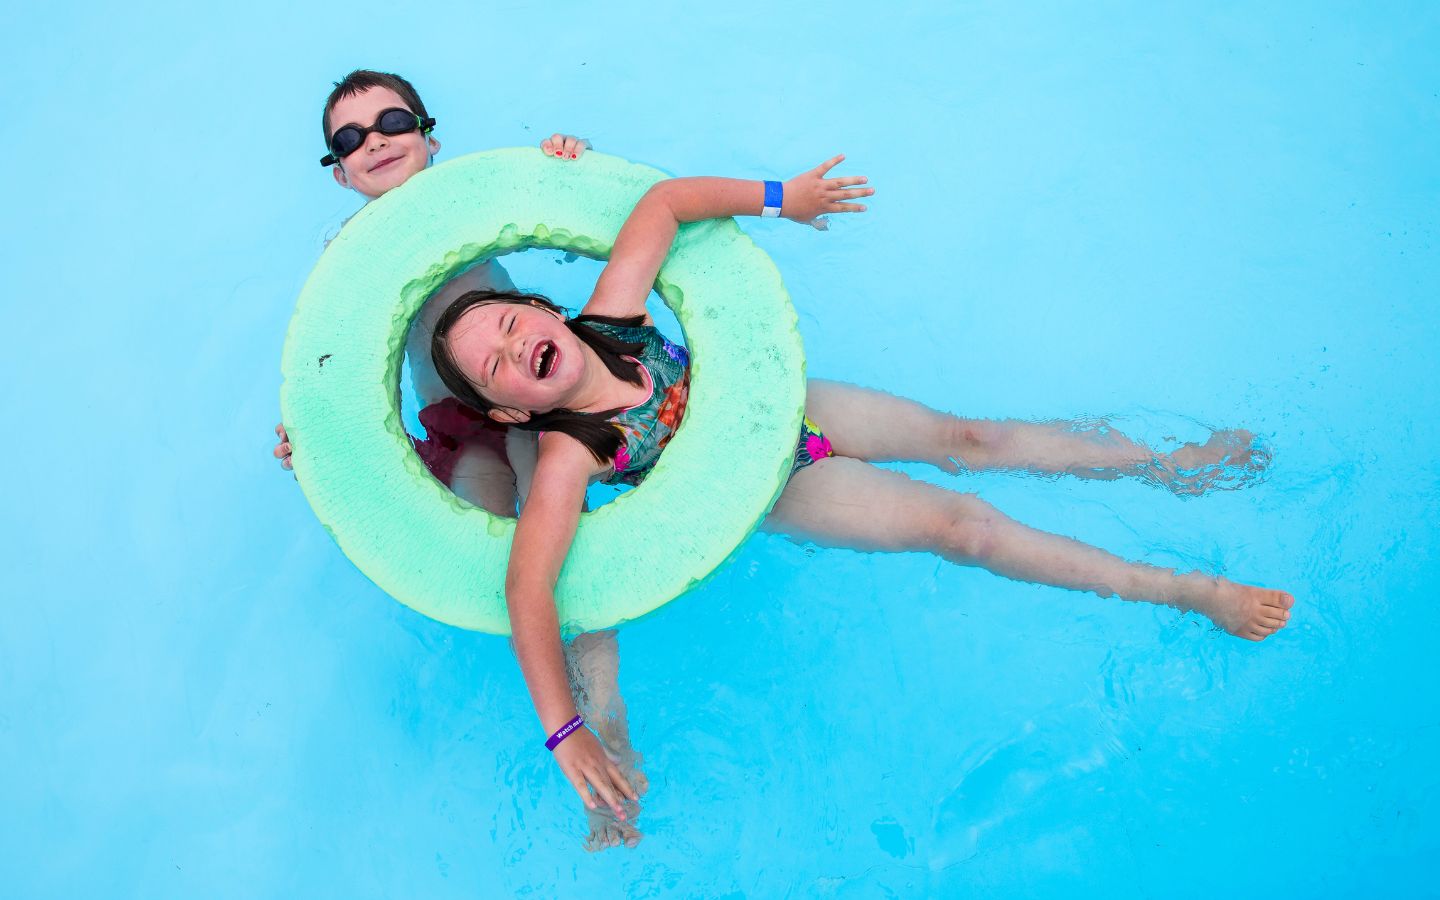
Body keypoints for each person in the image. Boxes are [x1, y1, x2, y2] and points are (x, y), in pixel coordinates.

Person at [426, 155, 1296, 845]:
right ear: (509, 410)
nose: (515, 346)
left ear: (545, 311)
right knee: (966, 530)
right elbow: (529, 589)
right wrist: (565, 730)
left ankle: (1164, 461)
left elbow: (662, 206)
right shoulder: (571, 456)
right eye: (496, 367)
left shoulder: (607, 320)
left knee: (972, 439)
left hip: (788, 410)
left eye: (513, 324)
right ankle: (1187, 591)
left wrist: (783, 195)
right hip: (778, 485)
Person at [270, 71, 644, 851]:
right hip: (459, 424)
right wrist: (308, 430)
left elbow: (564, 208)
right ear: (339, 174)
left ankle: (606, 725)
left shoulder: (481, 194)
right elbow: (332, 363)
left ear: (429, 138)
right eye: (349, 140)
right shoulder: (349, 258)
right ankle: (572, 731)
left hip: (531, 400)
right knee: (499, 555)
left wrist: (563, 160)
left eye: (392, 121)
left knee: (559, 546)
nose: (374, 141)